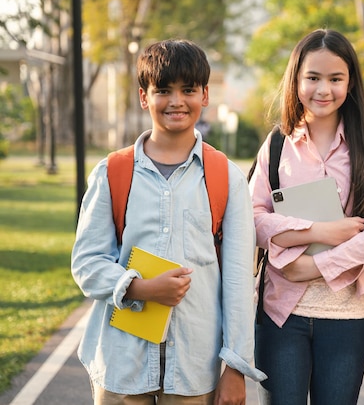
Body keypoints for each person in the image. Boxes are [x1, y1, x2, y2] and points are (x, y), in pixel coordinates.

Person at [71, 39, 265, 405]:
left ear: (205, 95)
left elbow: (238, 281)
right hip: (121, 363)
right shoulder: (112, 172)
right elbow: (86, 263)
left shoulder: (226, 176)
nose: (176, 101)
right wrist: (140, 289)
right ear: (144, 97)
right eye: (163, 90)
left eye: (188, 90)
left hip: (195, 367)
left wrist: (236, 368)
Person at [248, 28, 364, 405]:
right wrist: (321, 231)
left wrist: (316, 265)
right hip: (280, 314)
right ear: (296, 80)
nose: (324, 89)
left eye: (336, 79)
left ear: (350, 83)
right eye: (313, 77)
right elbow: (252, 218)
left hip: (347, 319)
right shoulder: (275, 146)